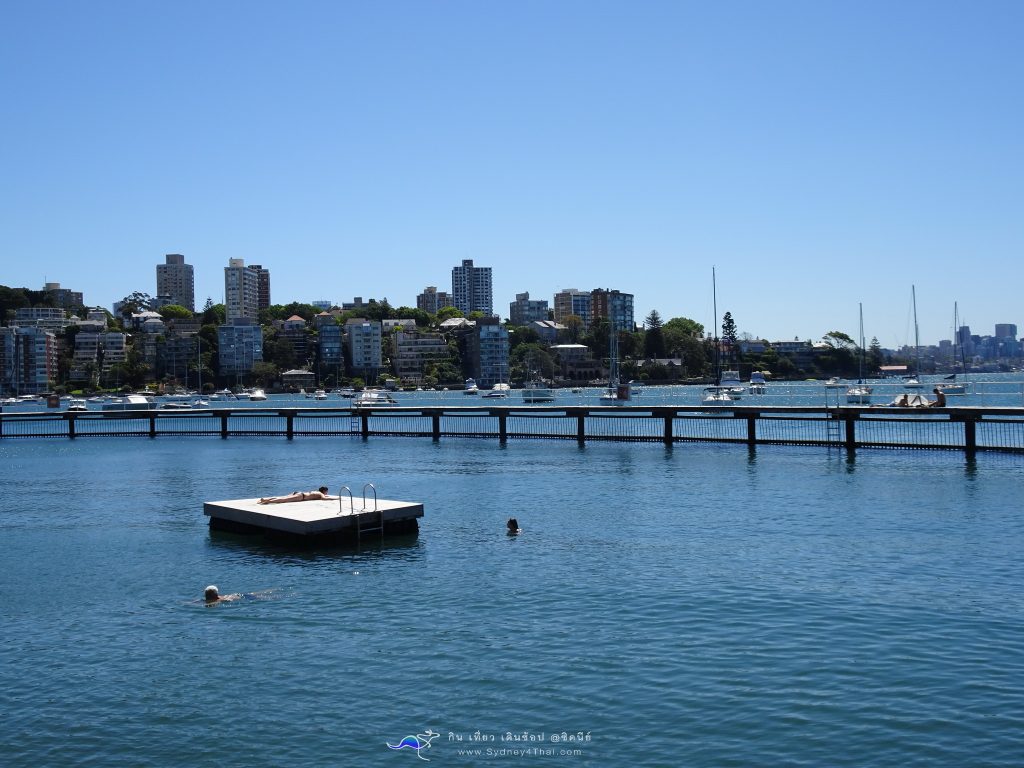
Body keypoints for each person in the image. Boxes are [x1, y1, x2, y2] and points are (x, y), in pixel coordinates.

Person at [258, 486, 337, 504]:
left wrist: (327, 496)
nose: (327, 493)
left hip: (298, 493)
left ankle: (265, 499)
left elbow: (323, 497)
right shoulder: (320, 494)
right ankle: (267, 501)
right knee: (284, 500)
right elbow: (323, 499)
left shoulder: (317, 492)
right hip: (301, 496)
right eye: (327, 492)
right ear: (324, 491)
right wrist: (335, 499)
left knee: (283, 497)